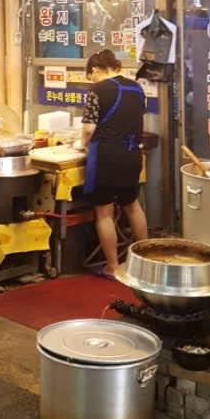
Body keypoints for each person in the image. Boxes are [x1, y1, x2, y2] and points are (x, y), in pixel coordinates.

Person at [77, 48, 149, 279]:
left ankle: (112, 266)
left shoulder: (97, 91)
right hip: (132, 154)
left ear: (95, 70)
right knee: (133, 206)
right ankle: (146, 260)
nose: (92, 80)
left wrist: (81, 144)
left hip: (107, 157)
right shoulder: (137, 88)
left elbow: (89, 128)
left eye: (91, 76)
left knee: (104, 213)